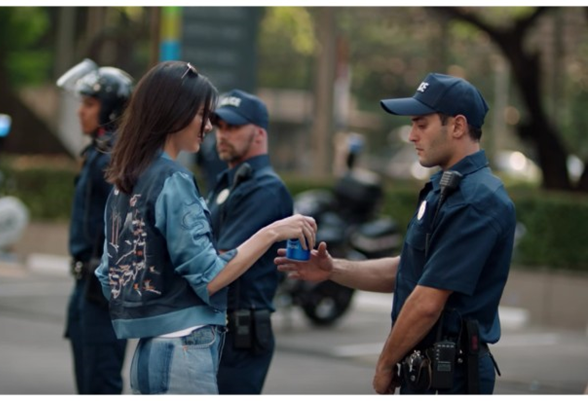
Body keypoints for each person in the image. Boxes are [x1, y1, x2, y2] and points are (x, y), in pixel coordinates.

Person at [276, 72, 516, 395]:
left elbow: (428, 300)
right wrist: (332, 269)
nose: (412, 135)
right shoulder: (444, 189)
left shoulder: (476, 200)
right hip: (429, 371)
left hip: (450, 376)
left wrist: (385, 363)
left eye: (421, 124)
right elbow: (406, 270)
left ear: (457, 126)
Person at [94, 61, 316, 395]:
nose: (209, 128)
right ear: (176, 113)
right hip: (186, 347)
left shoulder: (125, 182)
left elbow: (109, 277)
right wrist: (273, 231)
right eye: (203, 115)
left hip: (146, 353)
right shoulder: (174, 179)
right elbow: (210, 276)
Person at [206, 89, 293, 394]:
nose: (222, 134)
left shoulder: (264, 189)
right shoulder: (228, 181)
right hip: (218, 327)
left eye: (232, 127)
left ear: (258, 134)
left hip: (240, 333)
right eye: (219, 126)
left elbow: (217, 260)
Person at [57, 61, 133, 394]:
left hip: (102, 292)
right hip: (84, 287)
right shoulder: (97, 152)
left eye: (89, 104)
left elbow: (124, 228)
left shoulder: (113, 157)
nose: (80, 112)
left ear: (112, 110)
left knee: (100, 384)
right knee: (87, 382)